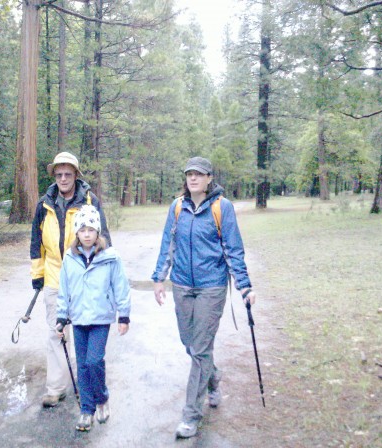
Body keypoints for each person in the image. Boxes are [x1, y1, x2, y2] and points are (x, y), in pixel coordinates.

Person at [151, 156, 257, 439]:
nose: (193, 178)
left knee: (199, 349)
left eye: (199, 174)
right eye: (189, 174)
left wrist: (245, 286)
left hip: (212, 287)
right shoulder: (176, 208)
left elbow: (234, 249)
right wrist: (159, 278)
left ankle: (190, 415)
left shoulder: (222, 208)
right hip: (183, 286)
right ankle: (213, 377)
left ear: (210, 178)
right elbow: (167, 245)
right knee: (190, 344)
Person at [30, 151, 111, 408]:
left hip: (84, 276)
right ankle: (56, 388)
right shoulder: (44, 204)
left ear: (76, 175)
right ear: (54, 176)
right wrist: (37, 275)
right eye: (59, 174)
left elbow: (104, 239)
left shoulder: (90, 201)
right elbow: (36, 244)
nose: (63, 178)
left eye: (68, 173)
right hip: (55, 277)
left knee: (84, 333)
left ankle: (87, 385)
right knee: (56, 333)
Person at [55, 205, 131, 432]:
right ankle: (86, 410)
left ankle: (102, 398)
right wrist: (61, 316)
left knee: (94, 361)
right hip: (78, 318)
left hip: (100, 318)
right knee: (83, 366)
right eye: (82, 229)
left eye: (91, 229)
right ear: (76, 233)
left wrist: (123, 315)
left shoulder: (110, 257)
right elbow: (64, 289)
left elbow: (121, 286)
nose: (87, 234)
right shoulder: (70, 258)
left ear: (98, 232)